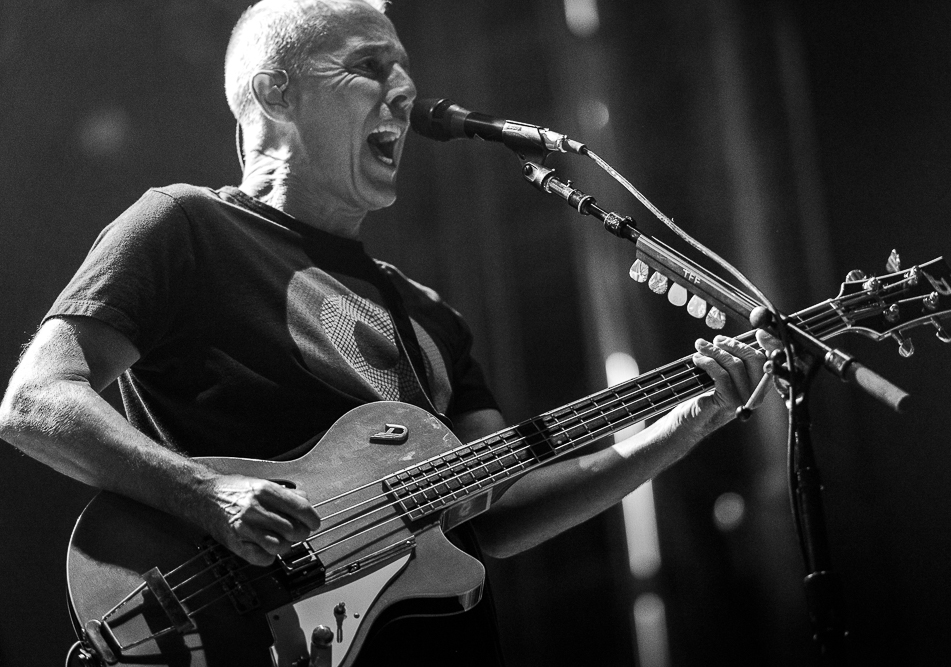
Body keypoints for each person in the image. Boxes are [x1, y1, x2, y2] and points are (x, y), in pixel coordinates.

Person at [0, 0, 776, 665]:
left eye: (403, 69)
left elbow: (500, 506)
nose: (404, 91)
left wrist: (682, 426)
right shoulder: (183, 226)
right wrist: (209, 496)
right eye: (368, 66)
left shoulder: (430, 315)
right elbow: (35, 402)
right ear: (274, 92)